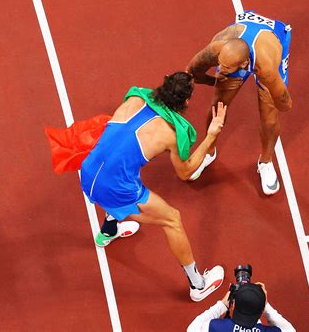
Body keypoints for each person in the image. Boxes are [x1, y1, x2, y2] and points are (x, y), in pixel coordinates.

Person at [80, 72, 227, 302]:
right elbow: (186, 172)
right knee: (173, 219)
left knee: (126, 177)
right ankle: (198, 285)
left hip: (88, 171)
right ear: (186, 102)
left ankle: (107, 232)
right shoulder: (170, 134)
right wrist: (211, 136)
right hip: (113, 188)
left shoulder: (134, 99)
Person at [186, 11, 293, 195]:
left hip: (272, 43)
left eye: (226, 68)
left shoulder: (266, 68)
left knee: (269, 119)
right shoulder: (218, 47)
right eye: (220, 65)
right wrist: (215, 81)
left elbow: (285, 105)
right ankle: (209, 152)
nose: (222, 70)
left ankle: (265, 162)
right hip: (240, 47)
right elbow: (192, 71)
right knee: (217, 105)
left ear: (244, 64)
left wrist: (268, 90)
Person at [187, 282, 296, 331]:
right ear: (261, 310)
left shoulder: (214, 327)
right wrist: (266, 306)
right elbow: (289, 330)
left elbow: (192, 328)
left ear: (233, 305)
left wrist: (223, 304)